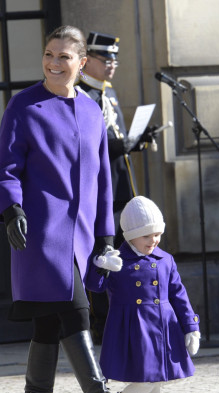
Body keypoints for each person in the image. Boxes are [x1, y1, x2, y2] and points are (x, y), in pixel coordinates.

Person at [0, 25, 144, 393]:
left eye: (64, 57)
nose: (54, 63)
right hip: (40, 236)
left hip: (81, 240)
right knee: (76, 316)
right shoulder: (24, 105)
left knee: (48, 326)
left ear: (82, 64)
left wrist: (106, 236)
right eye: (49, 54)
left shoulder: (93, 111)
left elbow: (101, 181)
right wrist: (11, 210)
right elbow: (6, 168)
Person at [84, 196, 202, 393]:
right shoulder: (118, 260)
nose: (154, 240)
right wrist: (100, 266)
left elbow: (178, 294)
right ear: (130, 236)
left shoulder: (165, 259)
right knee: (147, 379)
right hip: (133, 328)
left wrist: (191, 326)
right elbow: (95, 286)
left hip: (163, 327)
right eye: (147, 235)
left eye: (157, 234)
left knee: (156, 379)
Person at [77, 31, 157, 344]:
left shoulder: (107, 93)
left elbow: (115, 142)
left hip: (120, 188)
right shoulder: (81, 94)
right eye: (105, 57)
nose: (112, 63)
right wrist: (124, 144)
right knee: (102, 259)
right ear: (87, 61)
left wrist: (135, 143)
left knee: (125, 257)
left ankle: (126, 321)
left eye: (115, 57)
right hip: (97, 193)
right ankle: (102, 326)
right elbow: (90, 148)